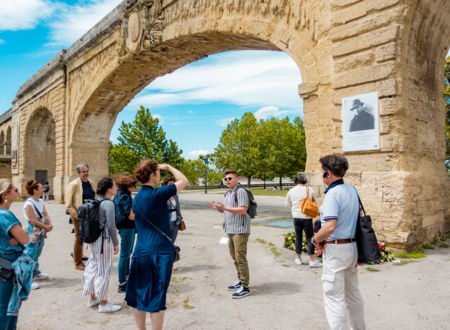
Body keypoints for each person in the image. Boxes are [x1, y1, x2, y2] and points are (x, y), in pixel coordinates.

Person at [126, 160, 188, 330]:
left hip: (140, 250)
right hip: (159, 251)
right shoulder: (157, 194)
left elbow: (133, 217)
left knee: (139, 294)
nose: (159, 175)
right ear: (153, 175)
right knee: (157, 296)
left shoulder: (136, 197)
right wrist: (168, 167)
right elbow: (183, 180)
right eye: (158, 173)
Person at [312, 154, 365, 330]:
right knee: (353, 295)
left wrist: (315, 239)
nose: (321, 175)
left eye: (322, 172)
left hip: (336, 249)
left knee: (334, 298)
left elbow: (330, 227)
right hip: (352, 246)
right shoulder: (351, 190)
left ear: (327, 173)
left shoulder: (332, 194)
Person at [210, 170, 251, 299]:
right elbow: (227, 212)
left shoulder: (241, 192)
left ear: (237, 179)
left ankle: (245, 286)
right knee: (234, 257)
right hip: (230, 230)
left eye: (230, 178)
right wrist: (218, 209)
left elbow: (243, 210)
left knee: (240, 257)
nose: (227, 181)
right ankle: (240, 280)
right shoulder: (228, 193)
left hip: (240, 230)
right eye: (225, 179)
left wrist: (225, 208)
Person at [83, 177, 121, 313]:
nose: (116, 189)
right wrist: (116, 243)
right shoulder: (109, 204)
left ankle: (93, 297)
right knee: (104, 270)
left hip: (93, 240)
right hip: (104, 240)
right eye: (114, 186)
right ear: (109, 189)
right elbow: (111, 226)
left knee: (93, 267)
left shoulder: (95, 201)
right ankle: (104, 303)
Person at [0, 179, 31, 329]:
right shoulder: (5, 215)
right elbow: (26, 238)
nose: (17, 191)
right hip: (7, 265)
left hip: (3, 263)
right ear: (5, 194)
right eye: (15, 190)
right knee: (7, 307)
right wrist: (21, 235)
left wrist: (18, 237)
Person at [285, 173, 321, 268]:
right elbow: (315, 203)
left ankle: (298, 258)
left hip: (296, 217)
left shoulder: (291, 191)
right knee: (310, 237)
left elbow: (288, 204)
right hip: (307, 217)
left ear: (296, 180)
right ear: (304, 180)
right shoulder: (309, 190)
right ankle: (312, 260)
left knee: (298, 237)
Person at [23, 180, 53, 290]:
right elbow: (32, 220)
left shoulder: (40, 201)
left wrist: (49, 223)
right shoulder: (29, 204)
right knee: (30, 253)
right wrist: (46, 227)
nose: (43, 189)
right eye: (40, 188)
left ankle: (35, 272)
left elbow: (45, 214)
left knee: (37, 251)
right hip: (33, 229)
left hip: (41, 229)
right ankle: (26, 279)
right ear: (35, 190)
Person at [65, 163, 95, 270]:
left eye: (87, 171)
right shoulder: (73, 184)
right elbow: (68, 204)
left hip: (89, 214)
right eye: (83, 172)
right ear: (78, 173)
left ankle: (82, 257)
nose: (86, 173)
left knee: (86, 236)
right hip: (78, 215)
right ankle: (78, 263)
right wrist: (77, 216)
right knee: (79, 238)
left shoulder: (91, 183)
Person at [113, 173, 137, 293]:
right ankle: (122, 282)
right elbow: (131, 216)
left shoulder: (119, 195)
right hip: (127, 227)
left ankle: (126, 278)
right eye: (133, 185)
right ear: (127, 186)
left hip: (125, 227)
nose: (134, 187)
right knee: (125, 255)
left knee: (127, 253)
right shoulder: (125, 197)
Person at [162, 176, 183, 244]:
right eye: (170, 184)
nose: (172, 186)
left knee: (172, 241)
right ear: (165, 185)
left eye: (173, 184)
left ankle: (171, 253)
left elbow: (178, 208)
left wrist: (180, 218)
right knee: (165, 241)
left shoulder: (175, 195)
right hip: (166, 222)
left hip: (175, 222)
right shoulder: (162, 195)